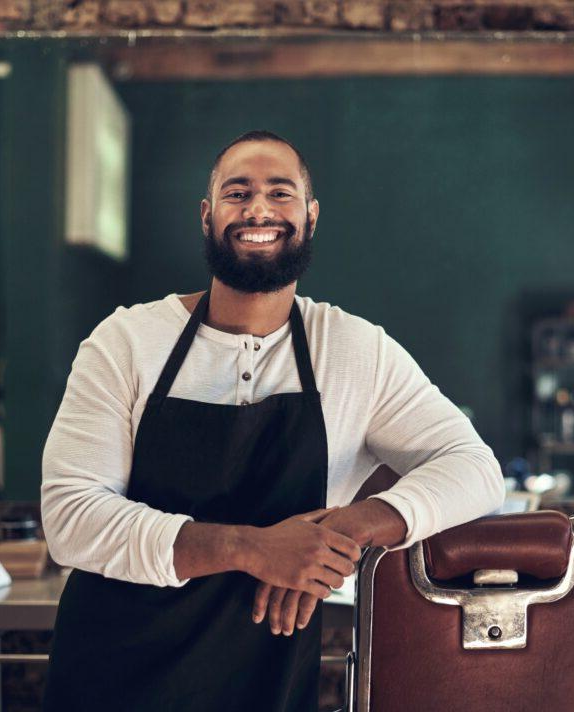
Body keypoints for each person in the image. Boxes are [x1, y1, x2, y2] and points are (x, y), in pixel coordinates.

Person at [40, 130, 505, 711]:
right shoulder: (127, 341)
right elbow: (71, 517)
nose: (258, 209)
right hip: (115, 673)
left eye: (279, 194)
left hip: (264, 677)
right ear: (207, 217)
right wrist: (250, 548)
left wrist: (348, 528)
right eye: (237, 194)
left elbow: (476, 469)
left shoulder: (354, 350)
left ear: (310, 217)